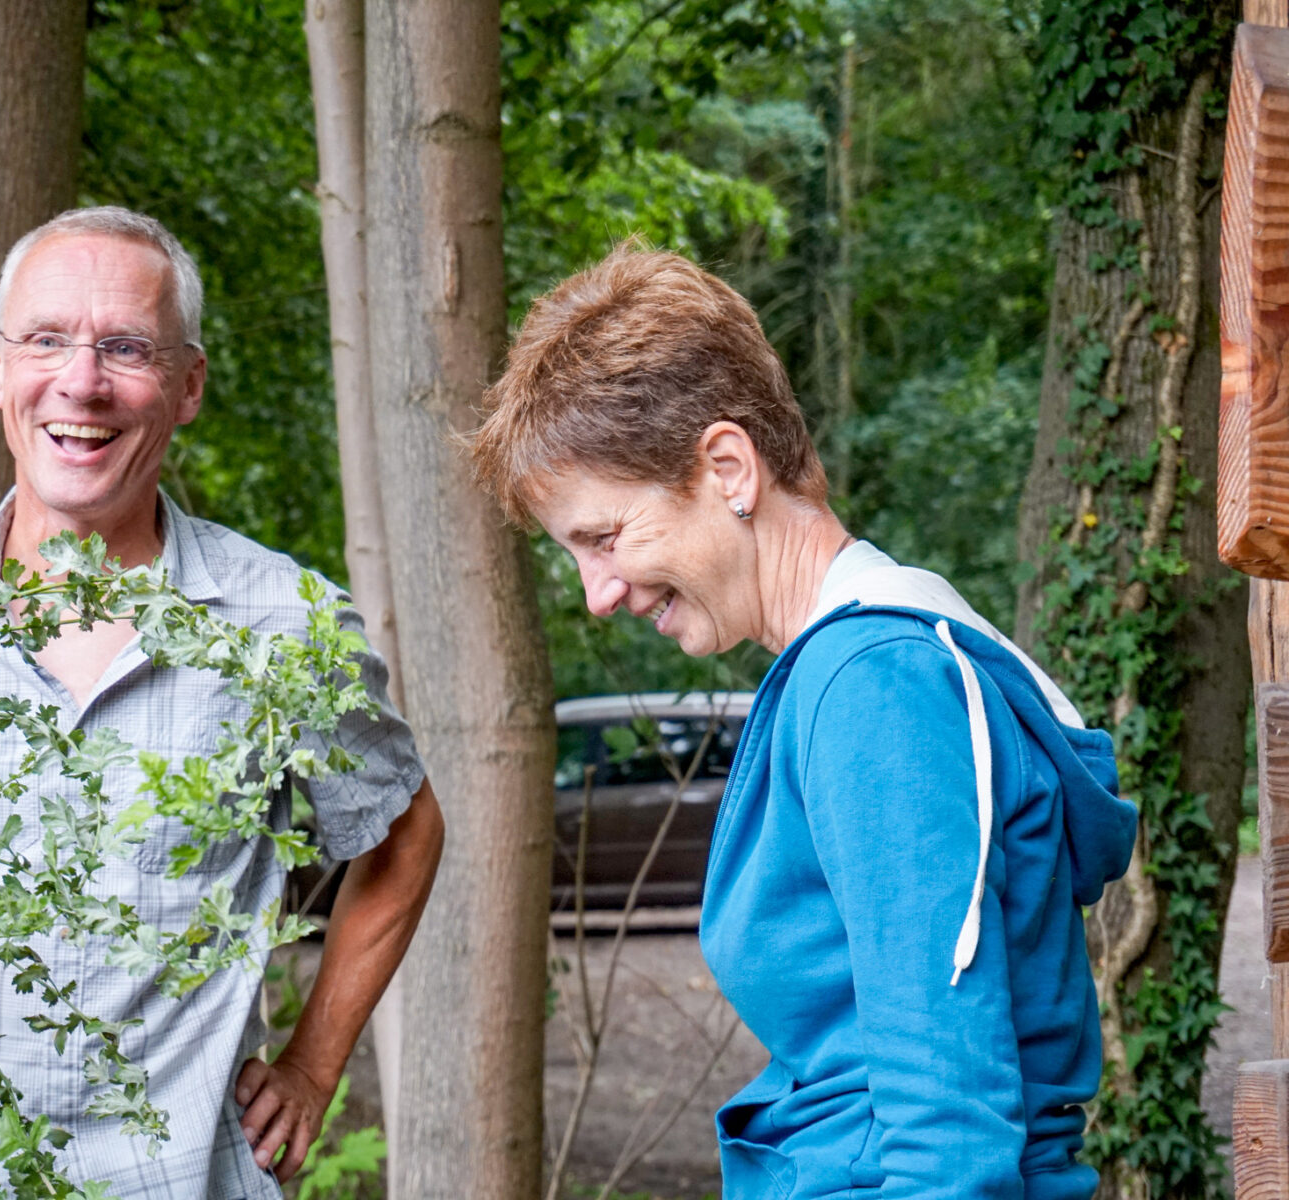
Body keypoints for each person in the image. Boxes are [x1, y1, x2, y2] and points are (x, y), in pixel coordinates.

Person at [0, 206, 443, 1197]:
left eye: (126, 348)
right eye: (46, 339)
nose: (81, 381)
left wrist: (313, 1069)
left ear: (187, 386)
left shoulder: (284, 621)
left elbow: (401, 836)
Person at [467, 245, 1136, 1199]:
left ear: (729, 466)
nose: (598, 593)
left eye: (605, 538)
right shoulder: (861, 668)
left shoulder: (872, 689)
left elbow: (950, 1127)